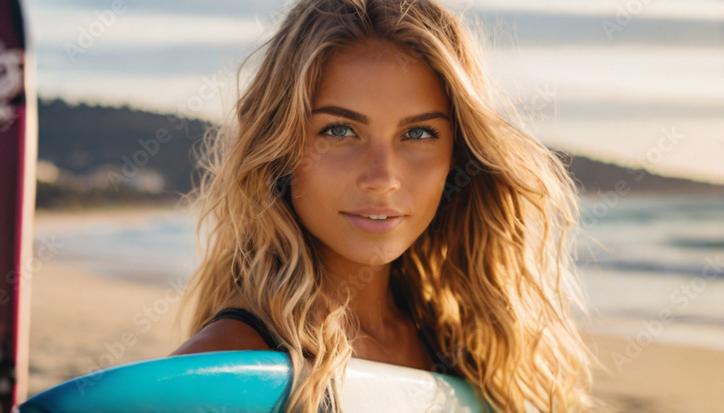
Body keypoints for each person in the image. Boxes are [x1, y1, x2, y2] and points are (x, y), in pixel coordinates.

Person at [170, 0, 600, 411]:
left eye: (418, 134)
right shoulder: (229, 363)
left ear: (458, 156)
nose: (382, 178)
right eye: (339, 130)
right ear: (281, 149)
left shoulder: (464, 347)